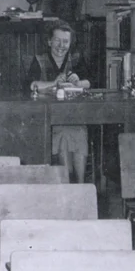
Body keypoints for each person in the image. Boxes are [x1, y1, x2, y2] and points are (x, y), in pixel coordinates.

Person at [27, 22, 91, 182]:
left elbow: (90, 82)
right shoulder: (39, 60)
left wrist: (79, 82)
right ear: (49, 41)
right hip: (48, 118)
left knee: (79, 132)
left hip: (73, 116)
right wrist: (54, 83)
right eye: (57, 41)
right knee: (63, 134)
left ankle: (81, 185)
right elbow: (31, 85)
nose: (61, 46)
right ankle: (67, 183)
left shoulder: (76, 59)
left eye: (66, 42)